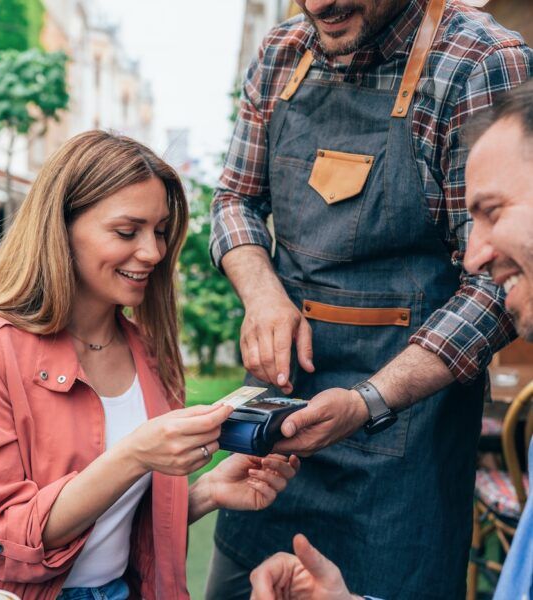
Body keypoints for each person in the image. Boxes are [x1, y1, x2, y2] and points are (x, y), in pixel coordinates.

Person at [208, 0, 532, 597]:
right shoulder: (283, 51)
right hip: (274, 444)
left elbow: (499, 276)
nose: (318, 5)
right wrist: (261, 292)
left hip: (402, 461)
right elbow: (235, 199)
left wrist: (367, 401)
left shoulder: (480, 61)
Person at [0, 130, 300, 600]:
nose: (154, 252)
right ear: (61, 228)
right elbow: (4, 534)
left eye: (160, 231)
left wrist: (206, 492)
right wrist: (135, 454)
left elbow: (113, 529)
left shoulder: (149, 350)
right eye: (126, 231)